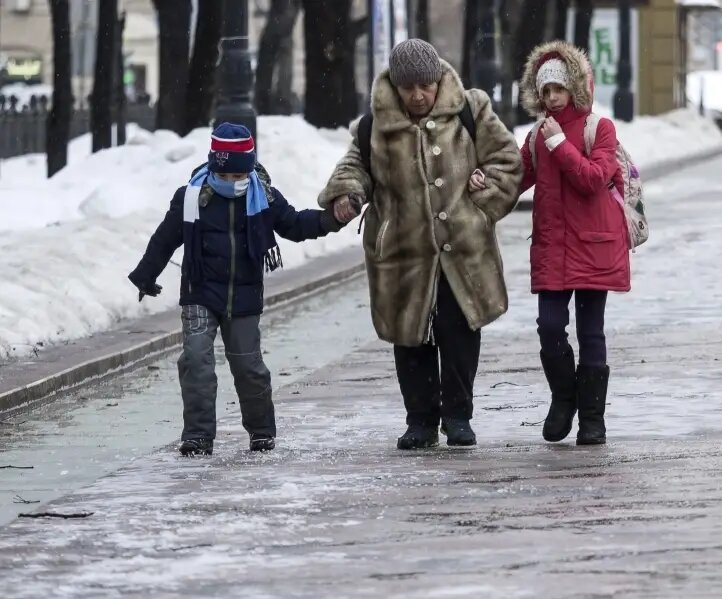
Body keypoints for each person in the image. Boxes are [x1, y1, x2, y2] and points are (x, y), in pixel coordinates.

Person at [319, 39, 522, 450]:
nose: (417, 95)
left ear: (437, 80)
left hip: (462, 246)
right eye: (408, 87)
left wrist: (481, 206)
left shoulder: (471, 109)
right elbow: (354, 165)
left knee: (458, 328)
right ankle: (420, 421)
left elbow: (507, 160)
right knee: (410, 335)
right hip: (402, 250)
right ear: (395, 86)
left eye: (425, 86)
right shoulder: (373, 125)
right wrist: (348, 193)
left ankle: (458, 416)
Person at [128, 123, 352, 456]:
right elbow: (164, 239)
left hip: (244, 297)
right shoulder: (191, 198)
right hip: (200, 293)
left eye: (240, 176)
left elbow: (294, 224)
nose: (234, 183)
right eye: (227, 176)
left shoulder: (263, 196)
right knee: (195, 361)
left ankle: (261, 430)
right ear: (215, 167)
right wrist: (145, 275)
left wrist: (331, 219)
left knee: (249, 368)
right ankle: (198, 434)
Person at [519, 41, 630, 445]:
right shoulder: (537, 134)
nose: (551, 98)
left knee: (591, 331)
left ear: (575, 89)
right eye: (545, 90)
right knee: (549, 328)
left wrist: (558, 145)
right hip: (552, 246)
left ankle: (593, 420)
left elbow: (592, 179)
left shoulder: (598, 129)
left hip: (593, 245)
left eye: (558, 89)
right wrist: (482, 182)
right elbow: (514, 178)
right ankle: (564, 398)